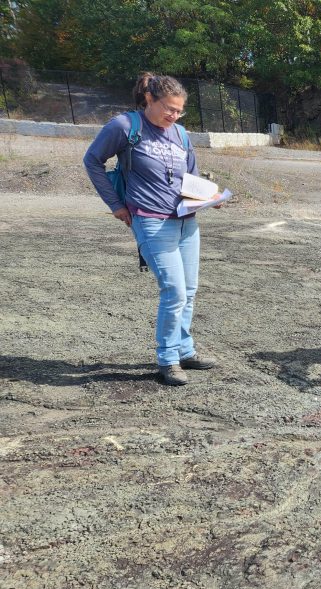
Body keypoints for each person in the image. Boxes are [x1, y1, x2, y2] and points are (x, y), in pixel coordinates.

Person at [83, 73, 217, 386]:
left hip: (186, 222)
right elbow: (92, 161)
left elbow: (192, 178)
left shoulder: (181, 134)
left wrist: (210, 197)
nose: (174, 115)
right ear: (149, 100)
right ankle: (168, 359)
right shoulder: (125, 127)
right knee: (174, 291)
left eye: (179, 111)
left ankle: (185, 350)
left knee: (190, 291)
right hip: (152, 221)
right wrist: (116, 204)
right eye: (169, 108)